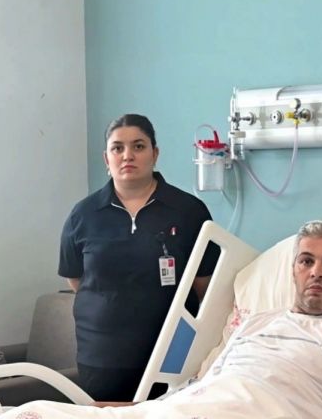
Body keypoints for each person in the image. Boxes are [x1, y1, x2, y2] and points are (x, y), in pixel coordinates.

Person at [0, 220, 322, 419]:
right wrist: (115, 410)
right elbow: (198, 393)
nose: (316, 272)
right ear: (292, 271)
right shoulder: (257, 323)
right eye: (306, 261)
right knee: (33, 412)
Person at [58, 114, 219, 401]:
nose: (127, 155)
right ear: (106, 159)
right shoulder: (83, 215)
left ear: (154, 154)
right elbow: (77, 280)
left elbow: (205, 285)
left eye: (138, 146)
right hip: (102, 357)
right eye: (117, 148)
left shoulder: (188, 211)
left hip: (172, 353)